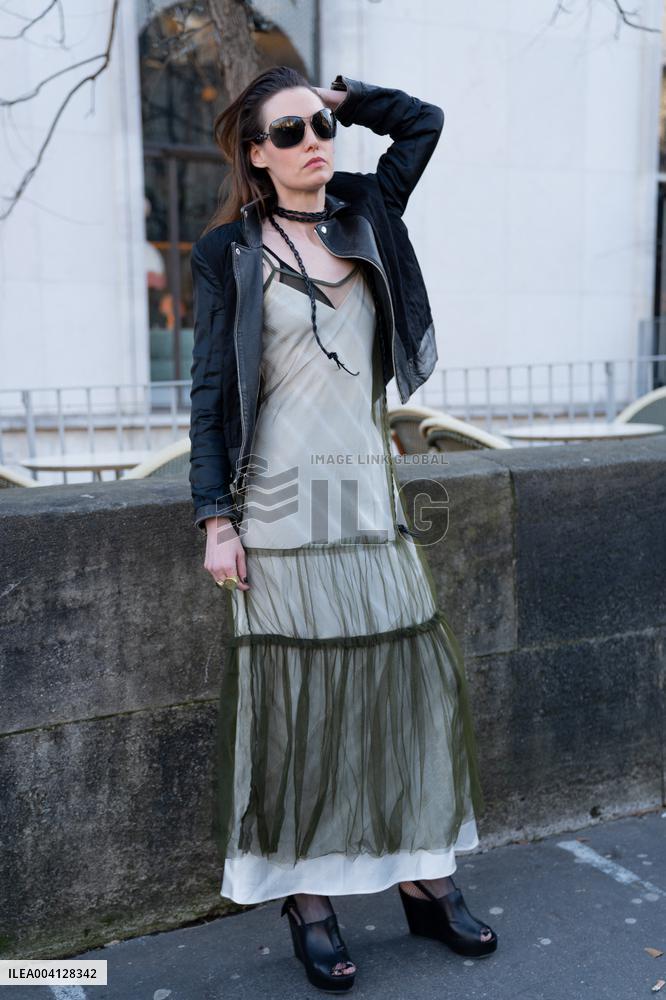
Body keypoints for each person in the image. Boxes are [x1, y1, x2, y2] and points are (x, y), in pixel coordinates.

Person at [188, 65, 498, 992]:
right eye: (289, 131)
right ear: (255, 155)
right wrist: (214, 519)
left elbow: (424, 124)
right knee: (298, 712)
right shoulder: (226, 252)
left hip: (368, 494)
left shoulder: (367, 210)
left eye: (320, 124)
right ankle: (308, 899)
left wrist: (349, 95)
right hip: (277, 507)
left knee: (400, 688)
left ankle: (424, 881)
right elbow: (209, 395)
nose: (313, 139)